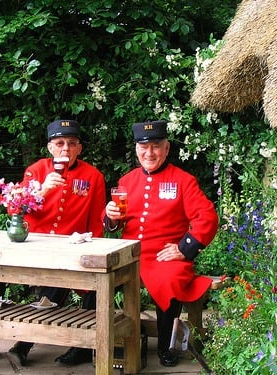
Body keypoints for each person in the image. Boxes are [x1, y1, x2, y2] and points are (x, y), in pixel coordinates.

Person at [0, 119, 106, 366]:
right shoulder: (36, 170)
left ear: (79, 148)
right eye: (60, 143)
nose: (65, 148)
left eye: (71, 143)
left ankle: (23, 345)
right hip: (31, 244)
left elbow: (96, 220)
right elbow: (15, 207)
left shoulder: (93, 176)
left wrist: (93, 250)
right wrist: (42, 190)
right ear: (50, 147)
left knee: (56, 288)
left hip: (66, 248)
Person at [103, 120, 218, 367]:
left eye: (156, 146)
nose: (149, 153)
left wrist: (183, 249)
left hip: (164, 255)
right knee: (99, 277)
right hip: (130, 254)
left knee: (170, 279)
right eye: (144, 147)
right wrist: (110, 217)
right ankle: (105, 341)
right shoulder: (126, 181)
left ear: (167, 149)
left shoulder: (183, 181)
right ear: (136, 150)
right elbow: (114, 225)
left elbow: (207, 216)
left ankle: (167, 344)